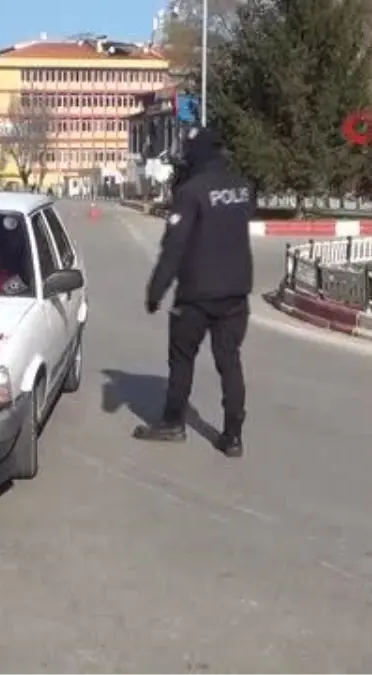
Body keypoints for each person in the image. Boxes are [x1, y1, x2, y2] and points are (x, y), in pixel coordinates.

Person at [134, 127, 254, 458]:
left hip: (196, 296)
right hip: (236, 294)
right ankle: (233, 436)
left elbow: (174, 247)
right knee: (229, 362)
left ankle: (173, 422)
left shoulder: (191, 192)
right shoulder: (243, 188)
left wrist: (155, 291)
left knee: (182, 359)